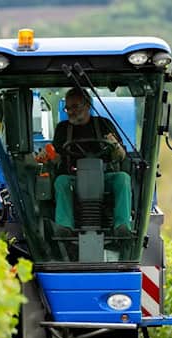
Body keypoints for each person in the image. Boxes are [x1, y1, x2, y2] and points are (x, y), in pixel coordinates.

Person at [42, 87, 133, 234]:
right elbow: (57, 157)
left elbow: (121, 156)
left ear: (88, 105)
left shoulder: (104, 124)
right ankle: (65, 227)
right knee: (61, 181)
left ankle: (122, 226)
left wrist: (115, 145)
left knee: (123, 178)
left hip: (104, 177)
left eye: (75, 106)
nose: (72, 111)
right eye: (68, 108)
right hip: (74, 178)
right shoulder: (62, 129)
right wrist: (48, 155)